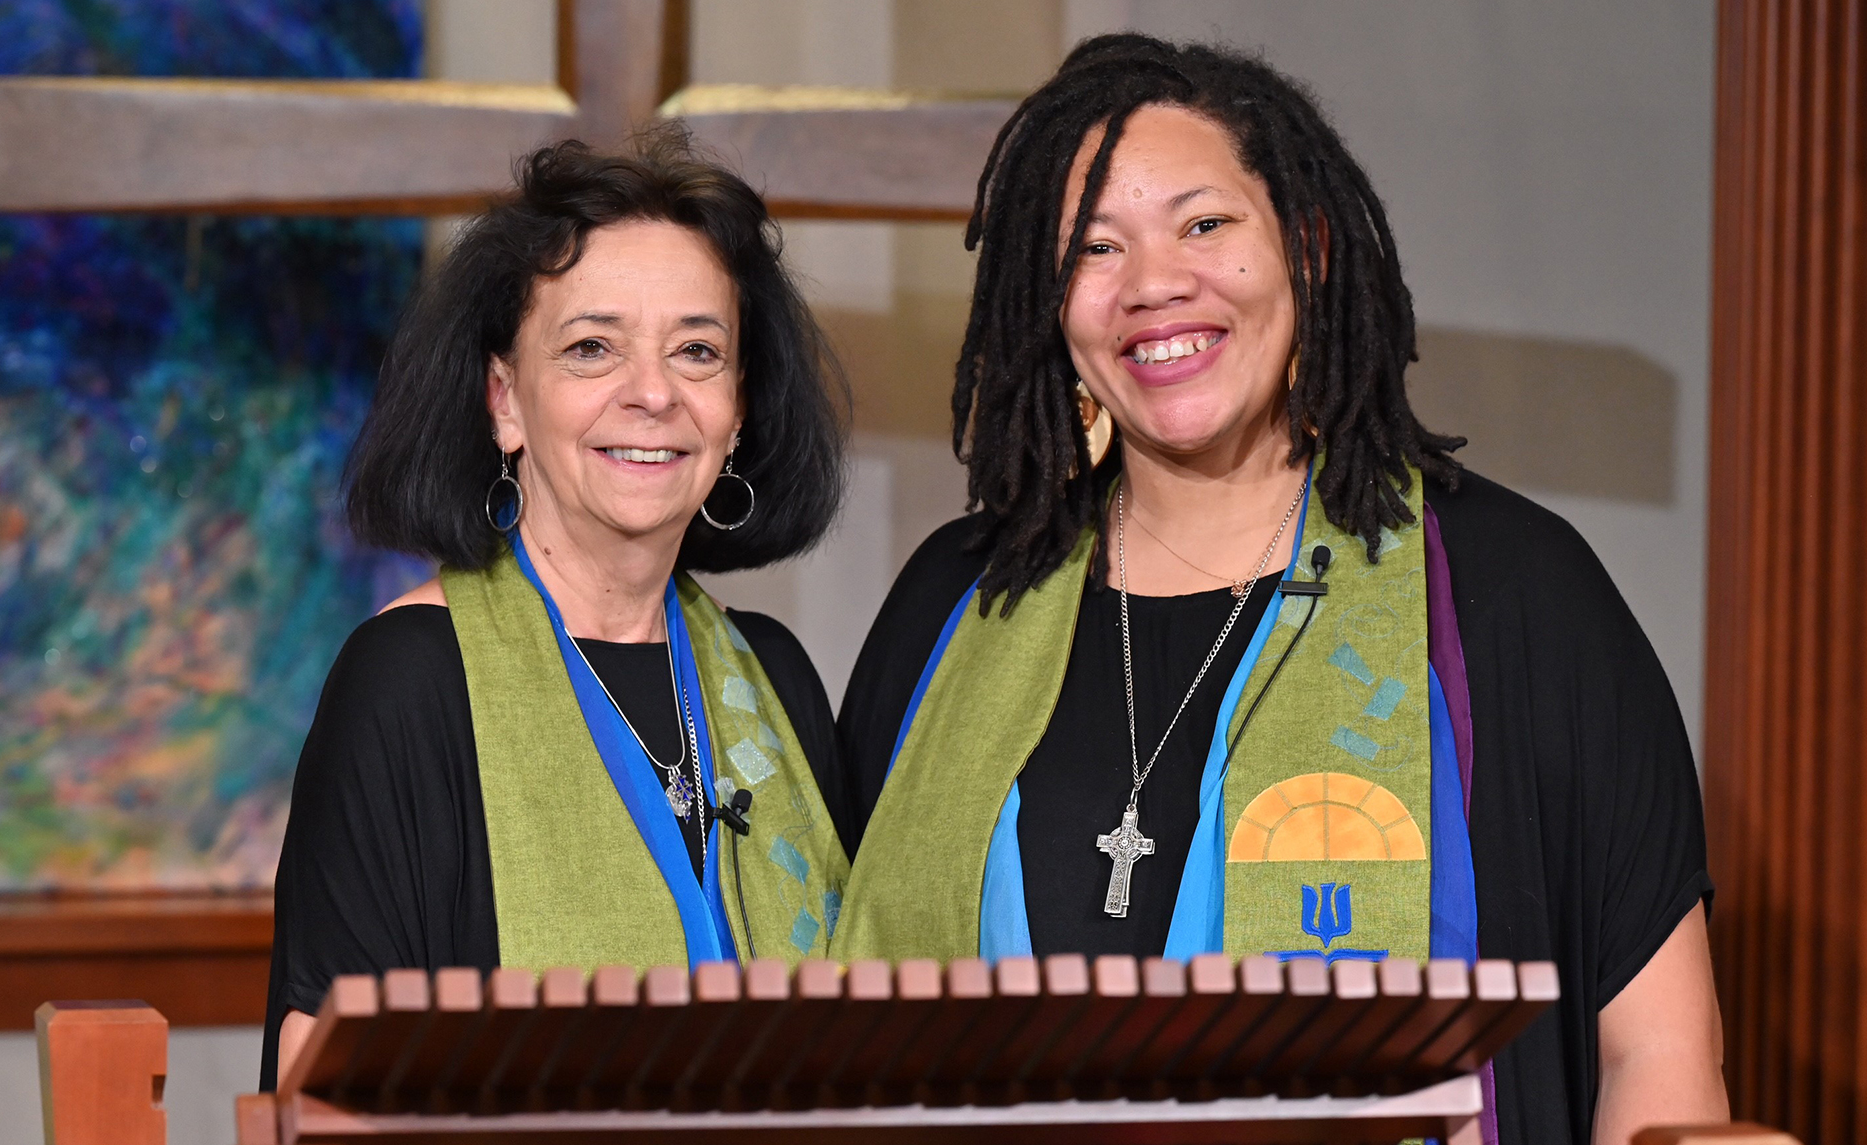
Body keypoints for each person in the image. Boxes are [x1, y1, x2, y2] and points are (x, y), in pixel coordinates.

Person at [833, 34, 1725, 1144]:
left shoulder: (1512, 592)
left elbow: (1656, 1050)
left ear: (1305, 245)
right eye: (1092, 250)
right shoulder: (954, 602)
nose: (1155, 284)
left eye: (1204, 225)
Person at [262, 133, 853, 1088]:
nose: (653, 393)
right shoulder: (410, 679)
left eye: (697, 351)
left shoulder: (776, 678)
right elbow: (317, 1083)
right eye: (592, 348)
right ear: (504, 399)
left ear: (737, 410)